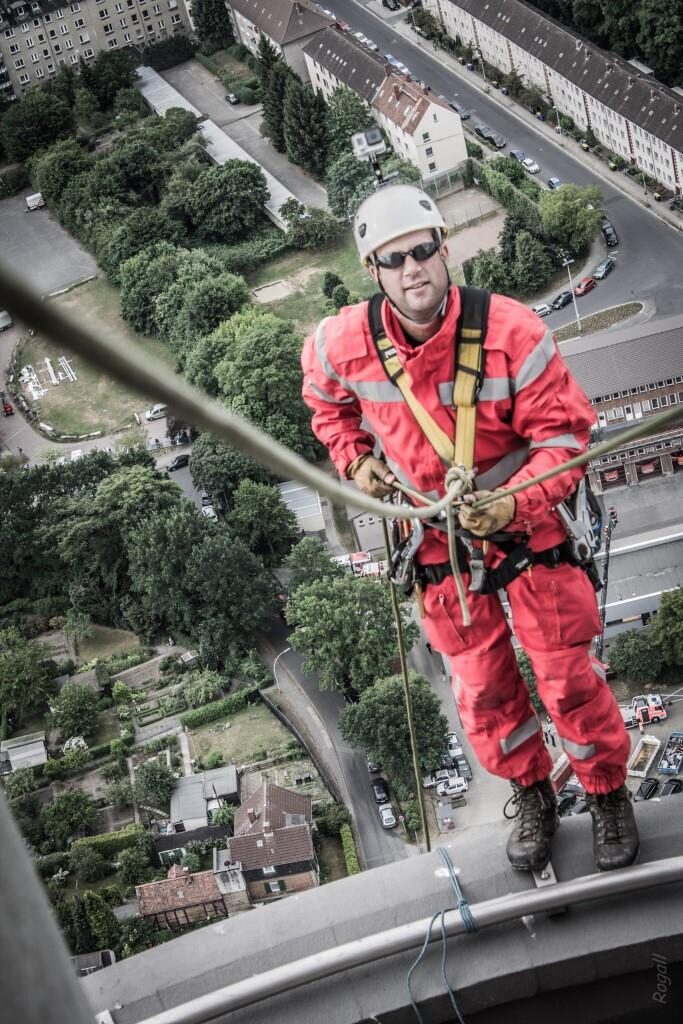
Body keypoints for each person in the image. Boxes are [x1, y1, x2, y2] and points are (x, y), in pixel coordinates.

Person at [301, 184, 639, 873]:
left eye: (422, 250)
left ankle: (606, 795)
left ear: (444, 249)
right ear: (374, 270)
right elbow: (326, 405)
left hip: (527, 531)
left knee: (566, 676)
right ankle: (531, 794)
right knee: (481, 687)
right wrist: (356, 460)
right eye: (393, 259)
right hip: (436, 545)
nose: (412, 268)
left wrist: (513, 502)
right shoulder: (343, 343)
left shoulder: (511, 331)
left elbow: (565, 440)